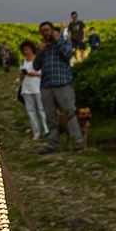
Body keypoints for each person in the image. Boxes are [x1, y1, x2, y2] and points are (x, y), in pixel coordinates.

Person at [34, 20, 82, 152]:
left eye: (48, 30)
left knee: (70, 113)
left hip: (63, 84)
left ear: (53, 30)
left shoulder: (63, 42)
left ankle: (78, 143)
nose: (46, 32)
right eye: (43, 31)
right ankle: (53, 145)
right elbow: (36, 66)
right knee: (51, 117)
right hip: (46, 86)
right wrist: (39, 52)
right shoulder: (43, 48)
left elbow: (68, 55)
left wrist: (58, 40)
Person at [16, 38, 50, 143]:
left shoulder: (38, 60)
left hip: (38, 87)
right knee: (31, 111)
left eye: (28, 49)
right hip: (26, 89)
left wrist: (34, 74)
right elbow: (20, 78)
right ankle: (37, 132)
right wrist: (21, 75)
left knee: (41, 109)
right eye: (24, 50)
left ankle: (46, 130)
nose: (26, 52)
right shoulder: (23, 62)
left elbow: (45, 73)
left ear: (32, 49)